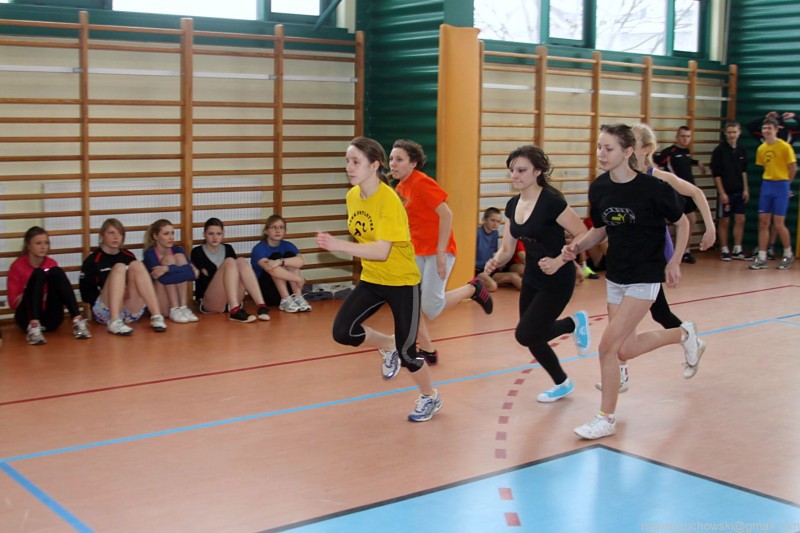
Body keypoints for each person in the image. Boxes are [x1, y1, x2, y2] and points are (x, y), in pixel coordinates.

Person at [563, 124, 706, 440]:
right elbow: (600, 229)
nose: (601, 154)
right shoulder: (599, 187)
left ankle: (606, 418)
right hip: (616, 275)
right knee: (625, 348)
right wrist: (577, 246)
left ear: (627, 152)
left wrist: (674, 261)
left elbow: (682, 222)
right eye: (599, 147)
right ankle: (684, 334)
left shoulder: (653, 188)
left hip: (645, 275)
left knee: (607, 347)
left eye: (609, 148)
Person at [316, 136, 441, 422]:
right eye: (347, 161)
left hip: (402, 282)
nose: (349, 167)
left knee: (408, 354)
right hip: (373, 279)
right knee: (343, 332)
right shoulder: (352, 196)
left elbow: (382, 251)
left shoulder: (389, 200)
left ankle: (430, 397)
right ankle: (387, 344)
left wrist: (338, 245)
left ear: (374, 165)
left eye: (355, 162)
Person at [597, 123, 716, 394]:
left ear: (643, 150)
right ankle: (684, 339)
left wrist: (708, 228)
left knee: (633, 321)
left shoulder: (657, 178)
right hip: (629, 258)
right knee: (655, 314)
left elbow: (695, 194)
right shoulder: (617, 178)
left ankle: (686, 338)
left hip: (652, 254)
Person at [483, 145, 591, 403]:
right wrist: (495, 261)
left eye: (521, 170)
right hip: (532, 277)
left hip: (558, 278)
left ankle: (573, 323)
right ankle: (562, 383)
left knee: (525, 334)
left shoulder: (552, 202)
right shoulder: (512, 205)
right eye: (512, 170)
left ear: (537, 171)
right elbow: (507, 248)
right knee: (533, 337)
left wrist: (559, 260)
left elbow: (583, 233)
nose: (515, 175)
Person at [390, 139, 493, 364]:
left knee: (430, 307)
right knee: (410, 302)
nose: (393, 164)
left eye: (399, 159)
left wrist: (439, 251)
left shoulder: (422, 183)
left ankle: (472, 289)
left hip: (439, 250)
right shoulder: (400, 188)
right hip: (417, 251)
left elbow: (446, 214)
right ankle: (427, 350)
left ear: (413, 163)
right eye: (391, 159)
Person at [79, 218, 167, 335]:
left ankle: (156, 316)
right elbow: (85, 294)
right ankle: (115, 321)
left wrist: (127, 289)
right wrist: (114, 292)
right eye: (111, 233)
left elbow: (138, 282)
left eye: (120, 234)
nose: (116, 237)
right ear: (102, 235)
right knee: (119, 267)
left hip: (129, 309)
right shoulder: (93, 260)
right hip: (106, 310)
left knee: (137, 265)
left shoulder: (128, 256)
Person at [8, 226, 91, 345]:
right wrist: (30, 293)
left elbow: (58, 293)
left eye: (46, 243)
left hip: (51, 319)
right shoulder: (17, 266)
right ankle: (34, 327)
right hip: (27, 318)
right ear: (28, 246)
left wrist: (38, 294)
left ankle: (78, 320)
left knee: (56, 271)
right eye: (38, 243)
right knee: (38, 273)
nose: (43, 247)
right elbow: (13, 302)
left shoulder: (51, 263)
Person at [191, 217, 270, 323]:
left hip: (232, 300)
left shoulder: (228, 248)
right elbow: (203, 279)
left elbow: (235, 275)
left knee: (241, 261)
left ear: (223, 234)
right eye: (211, 234)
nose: (215, 237)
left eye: (218, 234)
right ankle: (234, 310)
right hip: (211, 302)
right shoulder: (197, 251)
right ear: (204, 234)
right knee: (230, 261)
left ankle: (261, 306)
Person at [653, 126, 707, 264]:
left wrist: (697, 162)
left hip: (688, 193)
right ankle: (675, 252)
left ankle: (685, 251)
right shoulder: (669, 152)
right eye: (683, 136)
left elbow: (686, 161)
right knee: (682, 221)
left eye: (688, 136)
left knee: (691, 220)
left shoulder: (686, 152)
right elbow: (654, 160)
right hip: (676, 193)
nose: (685, 139)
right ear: (677, 137)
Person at [750, 117, 797, 270]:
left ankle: (788, 254)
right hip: (767, 185)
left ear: (776, 130)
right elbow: (766, 167)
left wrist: (786, 185)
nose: (766, 131)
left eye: (770, 128)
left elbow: (793, 168)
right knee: (763, 222)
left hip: (781, 185)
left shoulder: (785, 147)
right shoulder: (761, 148)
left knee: (778, 223)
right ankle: (762, 257)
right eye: (764, 128)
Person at [250, 215, 311, 313]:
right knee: (275, 257)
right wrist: (298, 279)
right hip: (268, 293)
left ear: (285, 231)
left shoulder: (288, 245)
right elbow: (269, 268)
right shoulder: (259, 248)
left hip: (290, 291)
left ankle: (298, 297)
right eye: (274, 227)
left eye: (281, 227)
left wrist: (280, 261)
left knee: (289, 256)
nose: (278, 230)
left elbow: (301, 262)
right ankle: (285, 299)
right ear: (266, 231)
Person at [142, 219, 199, 324]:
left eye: (172, 233)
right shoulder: (149, 254)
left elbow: (194, 274)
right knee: (169, 259)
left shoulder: (178, 250)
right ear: (155, 236)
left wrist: (167, 269)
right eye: (166, 234)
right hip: (160, 300)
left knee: (179, 257)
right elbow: (163, 278)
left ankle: (183, 307)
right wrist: (180, 272)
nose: (171, 237)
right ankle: (174, 309)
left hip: (177, 296)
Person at [711, 121, 749, 261]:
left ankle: (737, 249)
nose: (732, 135)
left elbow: (744, 171)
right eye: (729, 132)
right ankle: (724, 249)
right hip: (726, 192)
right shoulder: (719, 151)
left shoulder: (741, 149)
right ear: (725, 133)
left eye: (734, 132)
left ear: (739, 133)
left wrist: (746, 189)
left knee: (740, 219)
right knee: (725, 221)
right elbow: (716, 174)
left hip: (739, 191)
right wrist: (722, 193)